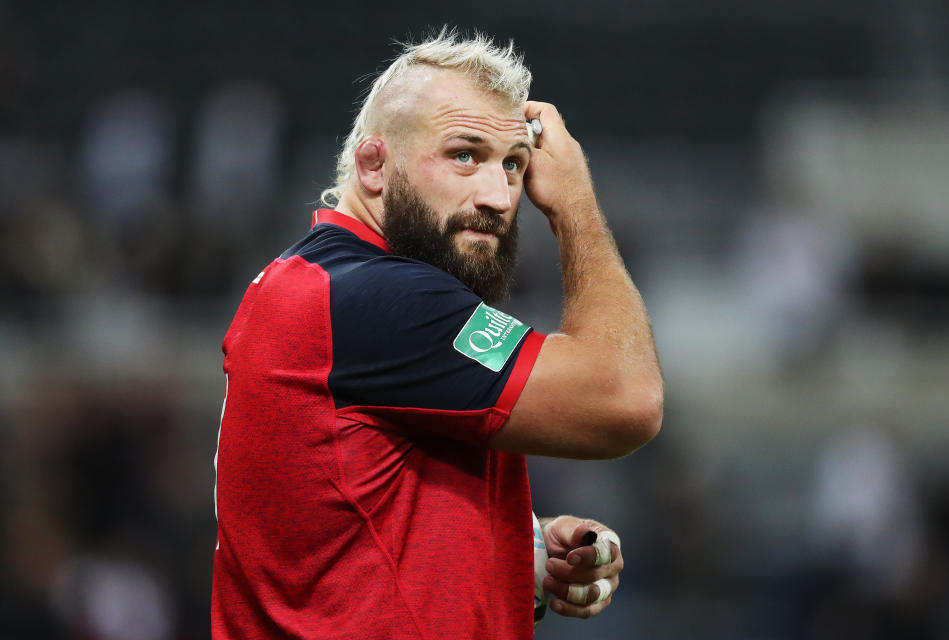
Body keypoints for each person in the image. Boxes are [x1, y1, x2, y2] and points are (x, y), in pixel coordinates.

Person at [211, 30, 663, 639]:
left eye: (515, 165)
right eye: (464, 155)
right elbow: (625, 399)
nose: (499, 196)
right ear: (374, 165)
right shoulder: (378, 298)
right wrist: (574, 202)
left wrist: (515, 547)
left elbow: (343, 515)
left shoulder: (315, 284)